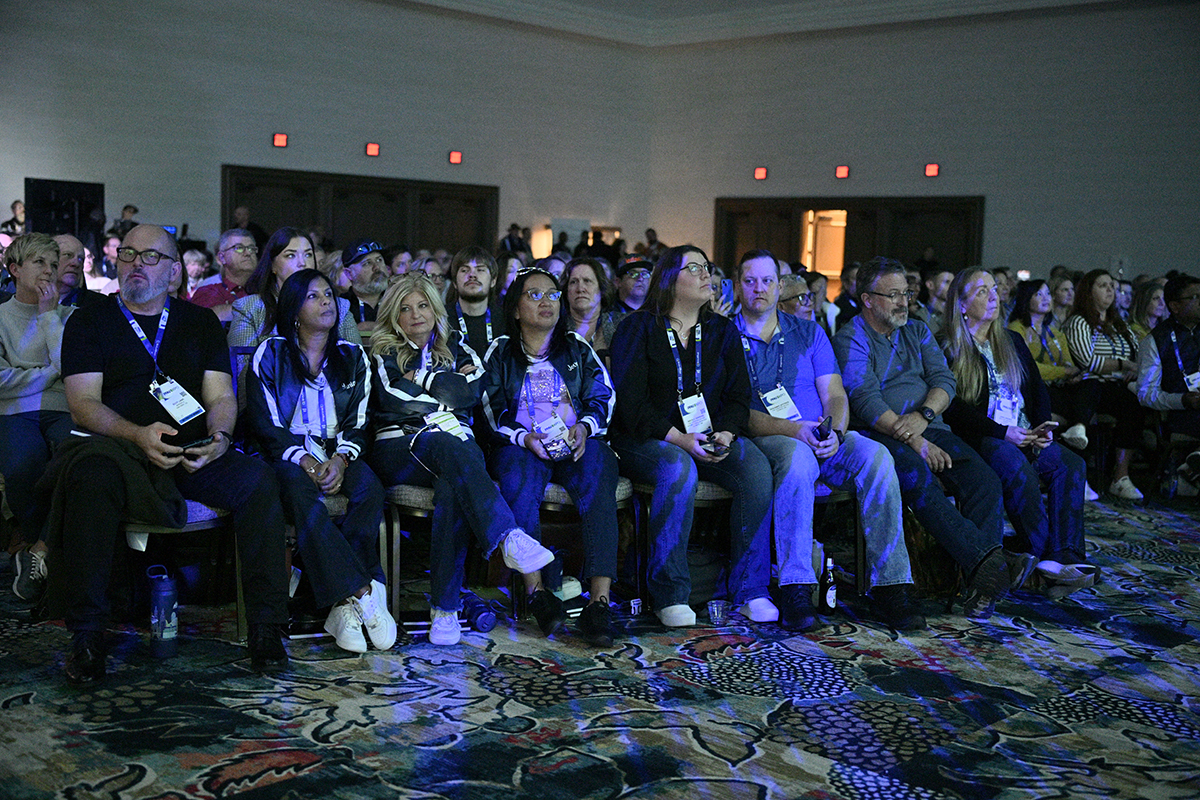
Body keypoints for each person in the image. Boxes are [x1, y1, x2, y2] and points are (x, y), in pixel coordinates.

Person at [55, 224, 289, 683]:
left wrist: (219, 439)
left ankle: (266, 627)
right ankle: (86, 634)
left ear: (175, 271)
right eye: (128, 254)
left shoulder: (199, 323)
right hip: (117, 450)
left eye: (151, 256)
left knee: (258, 481)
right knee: (88, 479)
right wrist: (137, 434)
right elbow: (83, 404)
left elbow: (221, 397)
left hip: (190, 450)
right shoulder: (89, 319)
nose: (136, 264)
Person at [734, 251, 923, 631]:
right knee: (798, 457)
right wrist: (796, 431)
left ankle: (890, 584)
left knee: (876, 456)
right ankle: (796, 586)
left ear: (779, 286)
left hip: (822, 434)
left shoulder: (808, 332)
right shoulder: (725, 336)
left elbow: (835, 395)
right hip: (769, 436)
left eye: (767, 281)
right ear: (738, 285)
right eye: (750, 281)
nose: (759, 288)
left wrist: (834, 433)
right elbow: (735, 412)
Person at [367, 272, 560, 645]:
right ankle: (507, 536)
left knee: (453, 484)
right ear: (393, 315)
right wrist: (446, 388)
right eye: (405, 308)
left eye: (423, 305)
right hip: (400, 447)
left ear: (435, 309)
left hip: (453, 451)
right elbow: (392, 398)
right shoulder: (382, 352)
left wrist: (421, 380)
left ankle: (445, 611)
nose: (416, 314)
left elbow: (472, 392)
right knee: (450, 447)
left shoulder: (460, 347)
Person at [833, 257, 1021, 620]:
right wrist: (913, 439)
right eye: (893, 295)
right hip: (877, 433)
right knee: (917, 476)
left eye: (906, 293)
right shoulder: (851, 337)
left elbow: (945, 381)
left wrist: (923, 418)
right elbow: (865, 399)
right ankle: (988, 563)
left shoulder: (917, 331)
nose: (903, 302)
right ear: (867, 299)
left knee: (983, 480)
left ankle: (978, 586)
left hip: (929, 425)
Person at [609, 245, 775, 628]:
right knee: (678, 466)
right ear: (669, 278)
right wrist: (679, 439)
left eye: (707, 267)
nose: (706, 275)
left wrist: (727, 434)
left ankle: (750, 590)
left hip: (708, 436)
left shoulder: (722, 330)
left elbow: (739, 396)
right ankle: (670, 593)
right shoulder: (637, 328)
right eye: (695, 268)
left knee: (755, 466)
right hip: (643, 439)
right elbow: (630, 404)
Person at [246, 269, 394, 654]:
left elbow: (360, 422)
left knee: (370, 489)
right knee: (299, 491)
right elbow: (266, 425)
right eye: (313, 296)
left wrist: (341, 460)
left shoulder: (352, 356)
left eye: (328, 294)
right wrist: (307, 462)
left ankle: (341, 607)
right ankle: (360, 592)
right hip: (287, 454)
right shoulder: (271, 353)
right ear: (293, 309)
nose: (326, 301)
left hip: (339, 449)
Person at [481, 267, 620, 646]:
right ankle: (538, 593)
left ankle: (599, 602)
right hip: (523, 446)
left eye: (553, 294)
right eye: (535, 295)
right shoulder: (501, 352)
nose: (547, 302)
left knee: (601, 465)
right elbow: (489, 408)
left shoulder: (576, 347)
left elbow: (603, 395)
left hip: (574, 444)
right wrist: (522, 437)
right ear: (515, 309)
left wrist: (585, 427)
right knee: (516, 472)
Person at [942, 270, 1094, 597]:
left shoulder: (1011, 340)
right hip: (982, 436)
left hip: (1024, 432)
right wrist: (1002, 432)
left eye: (994, 289)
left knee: (1071, 464)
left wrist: (1043, 428)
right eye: (982, 291)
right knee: (1011, 460)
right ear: (962, 304)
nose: (994, 296)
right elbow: (952, 407)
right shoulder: (949, 345)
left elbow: (1037, 390)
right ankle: (1042, 558)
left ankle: (1066, 556)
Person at [1, 234, 75, 603]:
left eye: (53, 264)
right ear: (15, 269)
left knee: (74, 458)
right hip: (14, 409)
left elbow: (70, 367)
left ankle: (39, 551)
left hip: (63, 407)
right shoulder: (1, 317)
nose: (49, 271)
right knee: (21, 465)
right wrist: (49, 374)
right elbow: (1, 381)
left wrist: (48, 315)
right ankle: (36, 543)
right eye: (39, 262)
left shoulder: (67, 316)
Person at [1062, 269, 1144, 500]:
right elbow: (1087, 361)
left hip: (1118, 386)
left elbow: (1137, 358)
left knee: (1134, 404)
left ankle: (1120, 477)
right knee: (1094, 391)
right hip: (1086, 385)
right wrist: (1123, 365)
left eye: (1112, 286)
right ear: (1089, 292)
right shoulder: (1079, 322)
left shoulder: (1120, 324)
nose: (1110, 290)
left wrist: (1133, 370)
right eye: (1103, 286)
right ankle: (1079, 476)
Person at [228, 227, 360, 350]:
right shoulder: (249, 309)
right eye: (291, 255)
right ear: (273, 265)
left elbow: (357, 361)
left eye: (308, 255)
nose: (302, 263)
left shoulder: (340, 307)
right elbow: (243, 364)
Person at [1137, 274, 1200, 487]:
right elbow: (1146, 394)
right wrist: (1182, 400)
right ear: (1175, 306)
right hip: (1182, 414)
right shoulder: (1156, 340)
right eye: (1195, 297)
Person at [446, 245, 505, 358]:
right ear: (454, 283)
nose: (472, 275)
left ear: (493, 281)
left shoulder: (506, 321)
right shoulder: (441, 320)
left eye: (480, 270)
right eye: (464, 270)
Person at [190, 229, 258, 323]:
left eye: (251, 248)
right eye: (239, 248)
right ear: (222, 258)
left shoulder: (267, 290)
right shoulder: (209, 293)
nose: (248, 253)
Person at [562, 257, 613, 351]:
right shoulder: (555, 329)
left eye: (587, 281)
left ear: (601, 288)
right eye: (573, 282)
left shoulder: (621, 325)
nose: (580, 289)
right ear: (566, 291)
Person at [341, 239, 390, 331]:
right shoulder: (341, 307)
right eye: (367, 263)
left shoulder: (397, 301)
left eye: (379, 260)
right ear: (349, 273)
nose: (377, 267)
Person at [52, 234, 104, 309]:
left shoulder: (100, 304)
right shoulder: (34, 300)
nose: (76, 263)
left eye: (80, 259)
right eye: (68, 255)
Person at [920, 265, 954, 338]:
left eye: (953, 283)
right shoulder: (920, 317)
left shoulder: (956, 314)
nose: (952, 287)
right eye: (946, 282)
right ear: (930, 285)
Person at [832, 262, 860, 330]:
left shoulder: (865, 303)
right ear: (845, 282)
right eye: (855, 278)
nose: (860, 283)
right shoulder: (838, 307)